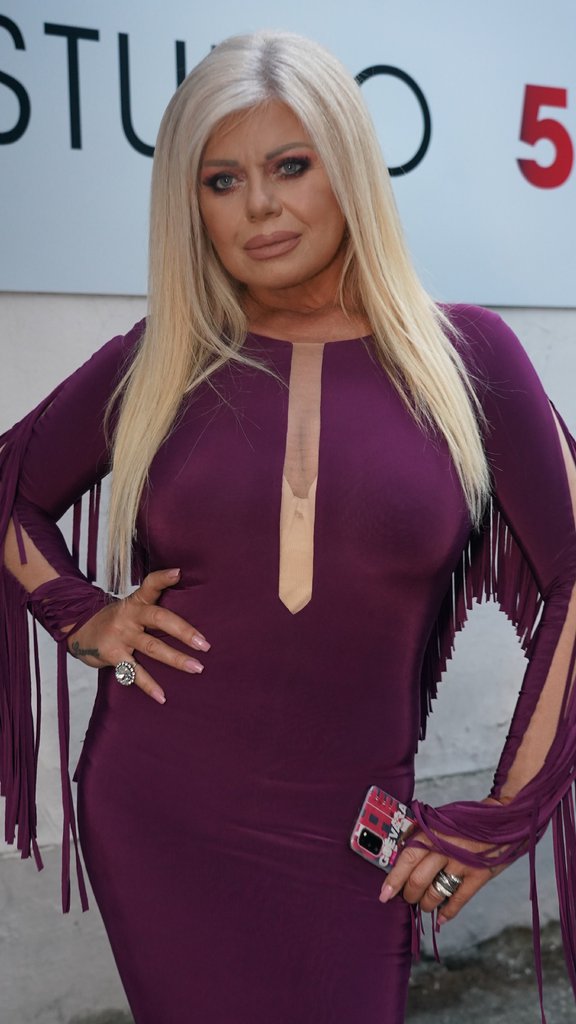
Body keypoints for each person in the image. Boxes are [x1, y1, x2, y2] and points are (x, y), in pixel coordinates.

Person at [1, 29, 575, 1024]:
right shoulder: (164, 359)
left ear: (349, 168)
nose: (260, 206)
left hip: (355, 837)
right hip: (159, 813)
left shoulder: (467, 357)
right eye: (222, 181)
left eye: (291, 166)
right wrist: (80, 614)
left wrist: (499, 816)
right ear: (191, 206)